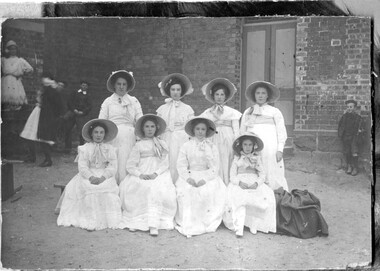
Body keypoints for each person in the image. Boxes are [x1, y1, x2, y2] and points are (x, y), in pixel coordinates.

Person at [57, 119, 122, 231]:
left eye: (101, 132)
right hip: (88, 175)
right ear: (91, 134)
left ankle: (107, 220)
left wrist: (103, 178)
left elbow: (113, 167)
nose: (98, 135)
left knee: (106, 189)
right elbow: (82, 167)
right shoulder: (85, 148)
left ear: (105, 134)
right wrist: (91, 177)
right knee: (90, 187)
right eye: (96, 132)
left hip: (104, 175)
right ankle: (90, 220)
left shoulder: (110, 149)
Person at [119, 114, 177, 236]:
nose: (150, 129)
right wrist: (139, 174)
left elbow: (165, 163)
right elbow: (130, 165)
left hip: (158, 173)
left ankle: (154, 224)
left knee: (157, 188)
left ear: (156, 128)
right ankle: (136, 221)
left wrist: (156, 173)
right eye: (147, 127)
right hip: (142, 172)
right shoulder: (139, 145)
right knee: (137, 186)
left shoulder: (161, 143)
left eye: (152, 126)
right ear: (142, 129)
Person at [175, 117, 226, 238]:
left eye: (203, 129)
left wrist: (206, 179)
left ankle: (206, 222)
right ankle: (190, 223)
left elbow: (215, 167)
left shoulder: (212, 146)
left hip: (207, 175)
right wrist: (188, 178)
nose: (200, 132)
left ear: (207, 131)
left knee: (208, 190)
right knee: (187, 191)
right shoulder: (186, 146)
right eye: (197, 129)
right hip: (190, 174)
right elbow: (181, 165)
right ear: (193, 130)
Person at [223, 133, 276, 237]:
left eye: (250, 145)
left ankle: (254, 224)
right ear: (241, 146)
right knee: (239, 198)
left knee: (259, 198)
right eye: (245, 144)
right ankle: (239, 226)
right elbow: (232, 175)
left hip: (253, 181)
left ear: (254, 146)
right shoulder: (237, 158)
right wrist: (239, 183)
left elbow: (262, 174)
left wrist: (257, 183)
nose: (247, 147)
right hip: (240, 181)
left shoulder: (256, 158)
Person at [240, 81, 288, 191]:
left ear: (267, 95)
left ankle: (275, 197)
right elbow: (242, 132)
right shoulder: (248, 112)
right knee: (254, 170)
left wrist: (280, 149)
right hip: (253, 148)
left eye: (263, 93)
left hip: (270, 148)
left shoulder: (274, 112)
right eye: (258, 93)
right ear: (254, 95)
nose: (260, 96)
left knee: (271, 171)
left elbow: (281, 132)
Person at [99, 70, 143, 183]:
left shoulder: (134, 101)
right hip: (112, 136)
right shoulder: (108, 102)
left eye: (124, 84)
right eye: (119, 84)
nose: (121, 87)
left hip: (129, 136)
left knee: (126, 161)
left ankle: (125, 188)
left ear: (127, 86)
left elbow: (140, 121)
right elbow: (101, 121)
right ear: (114, 85)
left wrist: (140, 138)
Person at [200, 78, 242, 185]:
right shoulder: (208, 112)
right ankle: (216, 186)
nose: (219, 97)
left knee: (227, 160)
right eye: (217, 94)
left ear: (226, 96)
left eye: (222, 94)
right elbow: (204, 129)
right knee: (215, 160)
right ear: (213, 96)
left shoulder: (232, 112)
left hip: (228, 139)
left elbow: (236, 130)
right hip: (213, 139)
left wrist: (237, 143)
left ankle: (227, 184)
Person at [156, 73, 194, 183]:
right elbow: (157, 127)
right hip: (166, 138)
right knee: (167, 162)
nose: (176, 92)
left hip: (181, 139)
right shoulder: (162, 109)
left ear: (182, 91)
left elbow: (191, 129)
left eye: (178, 89)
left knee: (179, 161)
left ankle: (180, 185)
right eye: (173, 89)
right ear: (169, 91)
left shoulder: (187, 109)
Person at [21, 72, 63, 167]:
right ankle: (32, 156)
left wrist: (53, 115)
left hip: (45, 115)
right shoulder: (46, 89)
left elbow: (57, 105)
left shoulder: (52, 90)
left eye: (45, 78)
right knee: (30, 134)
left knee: (43, 137)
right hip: (38, 112)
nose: (43, 80)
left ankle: (48, 159)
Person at [1, 40, 34, 111]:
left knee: (15, 102)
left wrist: (21, 73)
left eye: (14, 49)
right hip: (5, 81)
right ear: (8, 50)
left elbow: (30, 69)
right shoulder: (3, 60)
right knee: (5, 100)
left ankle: (14, 110)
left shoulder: (20, 60)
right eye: (11, 49)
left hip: (15, 81)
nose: (13, 50)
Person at [64, 80, 92, 152]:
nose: (84, 87)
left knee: (81, 131)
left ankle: (81, 148)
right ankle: (67, 147)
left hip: (81, 115)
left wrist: (83, 112)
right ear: (80, 85)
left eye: (86, 86)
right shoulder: (75, 93)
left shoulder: (88, 95)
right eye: (83, 85)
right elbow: (69, 102)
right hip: (73, 113)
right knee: (68, 129)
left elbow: (89, 106)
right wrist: (74, 110)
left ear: (87, 87)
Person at [338, 99, 364, 176]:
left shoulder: (358, 118)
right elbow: (340, 126)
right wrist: (341, 135)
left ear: (355, 108)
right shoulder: (344, 117)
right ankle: (349, 166)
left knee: (354, 152)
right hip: (346, 137)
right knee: (347, 152)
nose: (349, 108)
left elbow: (362, 127)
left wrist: (360, 131)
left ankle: (355, 168)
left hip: (354, 138)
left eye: (351, 107)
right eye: (348, 107)